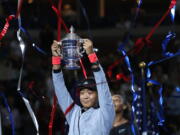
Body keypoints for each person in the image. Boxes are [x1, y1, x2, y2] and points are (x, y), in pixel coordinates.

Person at [51, 39, 115, 135]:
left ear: (98, 95)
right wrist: (56, 59)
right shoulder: (73, 113)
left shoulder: (105, 113)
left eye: (90, 93)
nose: (85, 96)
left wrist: (91, 54)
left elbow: (102, 84)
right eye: (82, 93)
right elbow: (60, 89)